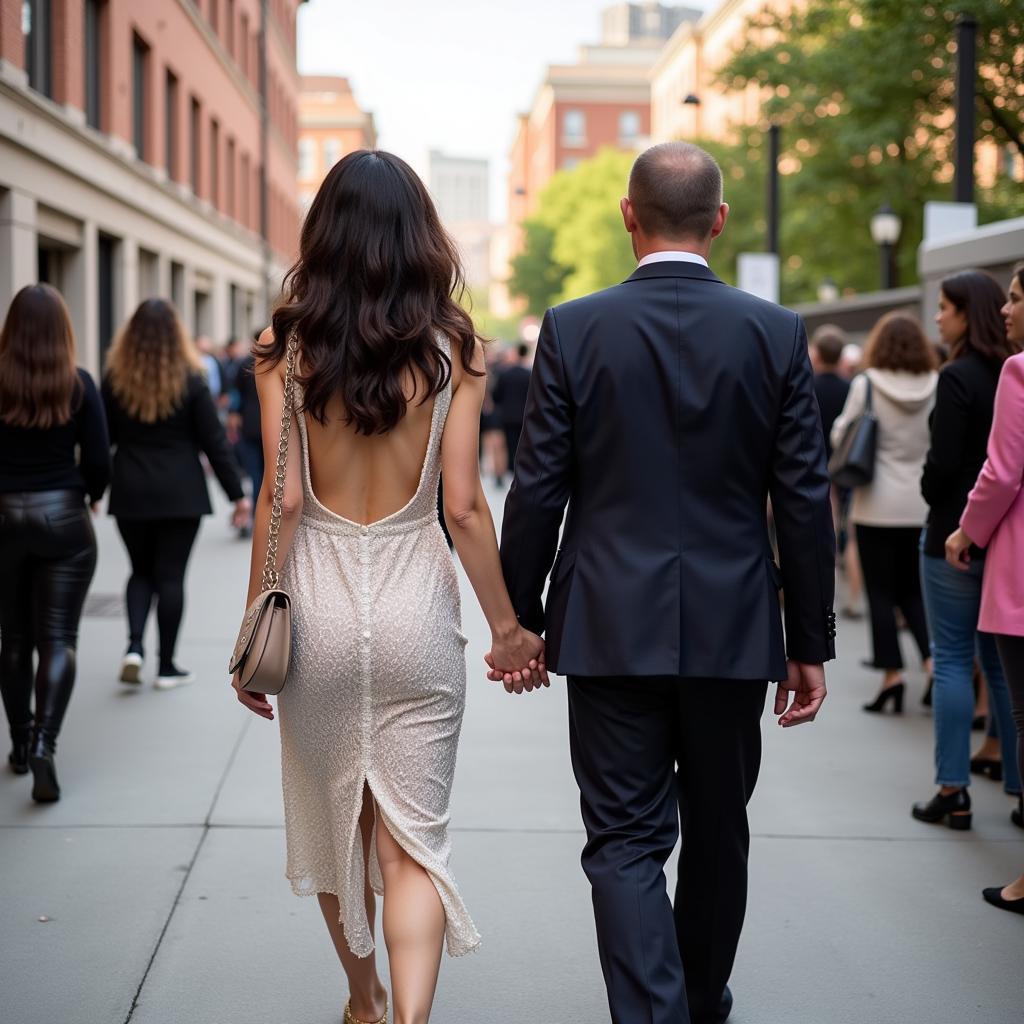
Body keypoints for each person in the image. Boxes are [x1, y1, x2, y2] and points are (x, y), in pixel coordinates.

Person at [496, 142, 835, 1024]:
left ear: (627, 216)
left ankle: (656, 1012)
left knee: (621, 839)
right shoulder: (776, 332)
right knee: (719, 829)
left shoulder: (573, 327)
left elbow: (538, 487)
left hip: (607, 622)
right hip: (733, 627)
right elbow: (802, 499)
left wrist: (519, 617)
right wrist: (810, 645)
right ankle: (697, 997)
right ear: (719, 220)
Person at [231, 150, 545, 1024]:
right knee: (412, 846)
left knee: (341, 833)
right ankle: (410, 1018)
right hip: (416, 608)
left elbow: (283, 500)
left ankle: (363, 1002)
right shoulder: (455, 350)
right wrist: (509, 631)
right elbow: (465, 508)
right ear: (421, 235)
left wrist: (254, 624)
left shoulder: (283, 350)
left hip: (318, 612)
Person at [913, 271, 1021, 830]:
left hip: (954, 534)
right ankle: (1019, 784)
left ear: (964, 313)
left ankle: (953, 788)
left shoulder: (957, 377)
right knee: (1004, 670)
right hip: (1002, 541)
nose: (937, 318)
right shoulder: (1004, 371)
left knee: (952, 658)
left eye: (945, 308)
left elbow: (945, 464)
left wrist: (935, 497)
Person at [103, 299, 250, 690]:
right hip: (180, 492)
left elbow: (103, 441)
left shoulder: (116, 380)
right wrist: (237, 495)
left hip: (131, 488)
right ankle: (166, 667)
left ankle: (134, 647)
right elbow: (214, 443)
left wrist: (94, 489)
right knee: (170, 577)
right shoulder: (190, 379)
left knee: (140, 572)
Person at [0, 284, 110, 803]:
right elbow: (98, 462)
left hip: (4, 519)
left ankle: (20, 745)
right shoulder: (78, 384)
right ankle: (45, 743)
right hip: (63, 517)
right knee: (59, 638)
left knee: (14, 640)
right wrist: (88, 495)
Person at [947, 261, 1024, 914]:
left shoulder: (1018, 373)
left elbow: (1001, 473)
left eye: (1018, 299)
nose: (1005, 309)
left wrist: (964, 532)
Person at [831, 312, 936, 714]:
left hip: (875, 504)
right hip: (921, 505)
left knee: (880, 592)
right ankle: (931, 664)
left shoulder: (867, 384)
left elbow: (842, 434)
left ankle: (891, 676)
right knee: (914, 591)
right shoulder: (936, 384)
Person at [811, 325, 864, 619]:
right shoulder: (851, 387)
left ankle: (824, 594)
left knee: (823, 532)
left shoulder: (808, 385)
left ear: (817, 353)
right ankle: (854, 598)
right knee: (851, 534)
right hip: (848, 468)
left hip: (816, 467)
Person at [227, 334, 263, 537]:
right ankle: (258, 514)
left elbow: (235, 394)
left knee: (255, 473)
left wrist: (234, 414)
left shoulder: (246, 363)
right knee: (264, 473)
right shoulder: (278, 359)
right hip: (269, 426)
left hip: (249, 424)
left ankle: (255, 514)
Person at [491, 342, 531, 470]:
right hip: (524, 415)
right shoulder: (529, 374)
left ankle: (509, 467)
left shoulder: (505, 374)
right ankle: (520, 467)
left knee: (509, 443)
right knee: (523, 443)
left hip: (507, 415)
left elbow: (496, 395)